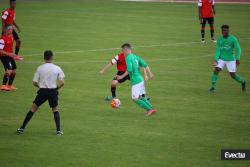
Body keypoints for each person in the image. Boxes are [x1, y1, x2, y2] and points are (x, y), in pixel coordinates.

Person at [17, 50, 65, 135]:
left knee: (33, 109)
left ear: (44, 58)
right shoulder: (57, 68)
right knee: (55, 110)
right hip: (52, 91)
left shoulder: (40, 68)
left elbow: (34, 82)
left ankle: (22, 128)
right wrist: (56, 89)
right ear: (52, 57)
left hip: (42, 91)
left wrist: (41, 87)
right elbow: (62, 83)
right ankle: (58, 130)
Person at [117, 43, 156, 116]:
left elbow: (130, 70)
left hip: (136, 81)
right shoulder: (135, 56)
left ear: (126, 50)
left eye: (122, 51)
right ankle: (152, 108)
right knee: (140, 97)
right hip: (140, 80)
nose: (122, 53)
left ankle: (149, 109)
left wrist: (121, 77)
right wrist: (150, 74)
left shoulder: (128, 58)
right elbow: (145, 64)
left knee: (135, 99)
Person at [209, 25, 246, 93]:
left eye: (225, 30)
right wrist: (215, 60)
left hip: (230, 59)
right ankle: (213, 87)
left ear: (228, 31)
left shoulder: (233, 39)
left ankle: (243, 82)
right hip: (222, 58)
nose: (223, 32)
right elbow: (218, 50)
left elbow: (238, 49)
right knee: (216, 70)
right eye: (222, 30)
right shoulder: (220, 39)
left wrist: (237, 58)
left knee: (233, 75)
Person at [0, 25, 22, 91]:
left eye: (12, 29)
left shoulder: (11, 37)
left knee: (14, 70)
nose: (11, 30)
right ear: (5, 30)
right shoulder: (2, 39)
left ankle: (9, 85)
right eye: (9, 29)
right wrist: (9, 54)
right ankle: (3, 85)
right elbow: (0, 51)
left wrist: (14, 55)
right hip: (4, 57)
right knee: (9, 70)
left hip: (10, 56)